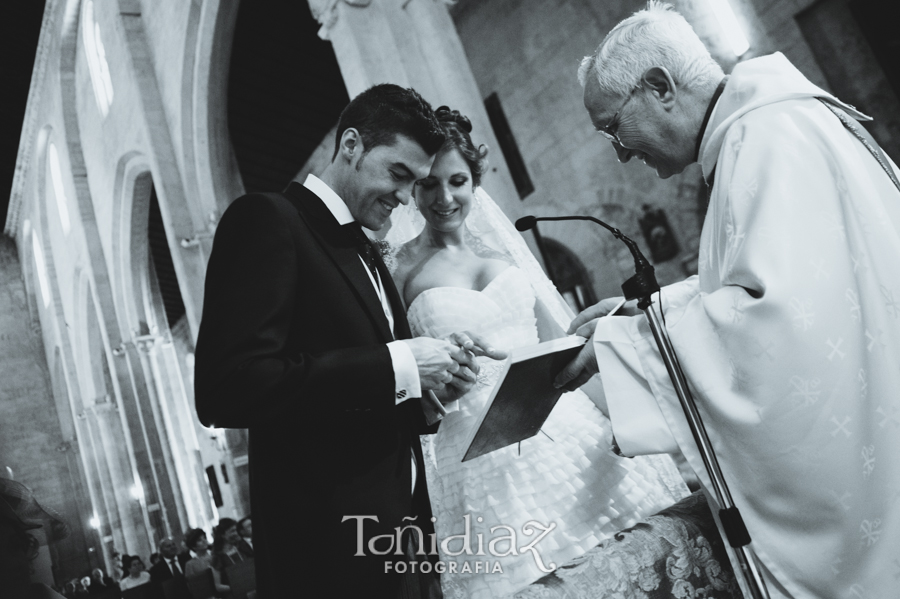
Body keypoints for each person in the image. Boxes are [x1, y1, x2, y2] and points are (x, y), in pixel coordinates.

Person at [556, 2, 900, 598]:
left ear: (660, 87)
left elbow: (780, 324)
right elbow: (782, 282)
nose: (618, 151)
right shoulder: (767, 131)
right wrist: (642, 312)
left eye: (614, 127)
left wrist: (630, 347)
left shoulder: (765, 140)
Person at [194, 83, 505, 599]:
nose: (407, 198)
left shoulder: (366, 249)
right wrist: (400, 366)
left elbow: (360, 392)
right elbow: (228, 386)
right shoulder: (268, 220)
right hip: (328, 554)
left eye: (416, 182)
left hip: (406, 542)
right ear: (352, 145)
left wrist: (429, 387)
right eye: (398, 174)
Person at [387, 107, 689, 598]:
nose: (445, 198)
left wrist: (629, 421)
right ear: (414, 188)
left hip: (565, 426)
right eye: (429, 185)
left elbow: (562, 345)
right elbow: (405, 376)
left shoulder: (505, 253)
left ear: (475, 179)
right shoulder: (399, 270)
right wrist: (437, 376)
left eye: (457, 181)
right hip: (477, 453)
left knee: (631, 566)